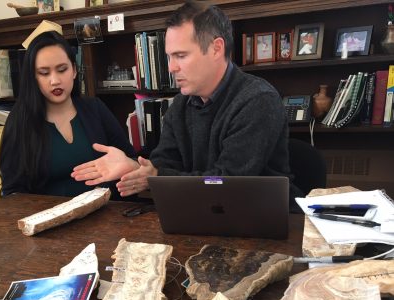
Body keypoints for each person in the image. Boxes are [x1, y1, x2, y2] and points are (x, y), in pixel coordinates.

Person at [71, 1, 300, 202]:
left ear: (216, 48)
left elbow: (226, 182)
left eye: (181, 55)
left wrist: (156, 176)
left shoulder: (258, 100)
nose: (171, 68)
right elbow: (163, 162)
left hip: (262, 220)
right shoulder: (182, 103)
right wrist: (139, 168)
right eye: (170, 57)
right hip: (202, 213)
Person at [0, 28, 135, 197]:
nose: (55, 81)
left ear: (74, 71)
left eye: (62, 70)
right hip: (48, 219)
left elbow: (130, 160)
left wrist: (129, 165)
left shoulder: (95, 109)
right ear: (33, 78)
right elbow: (11, 191)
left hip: (107, 214)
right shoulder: (20, 121)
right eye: (44, 73)